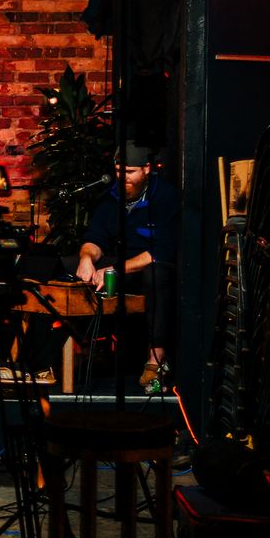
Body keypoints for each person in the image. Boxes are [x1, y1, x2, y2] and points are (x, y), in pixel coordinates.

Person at [74, 141, 179, 391]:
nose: (123, 177)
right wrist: (86, 258)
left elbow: (161, 251)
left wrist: (115, 270)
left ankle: (156, 358)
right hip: (117, 266)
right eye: (119, 171)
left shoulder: (166, 197)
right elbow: (95, 237)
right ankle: (52, 357)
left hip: (147, 267)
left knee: (158, 273)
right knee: (61, 266)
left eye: (129, 172)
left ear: (146, 169)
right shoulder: (110, 196)